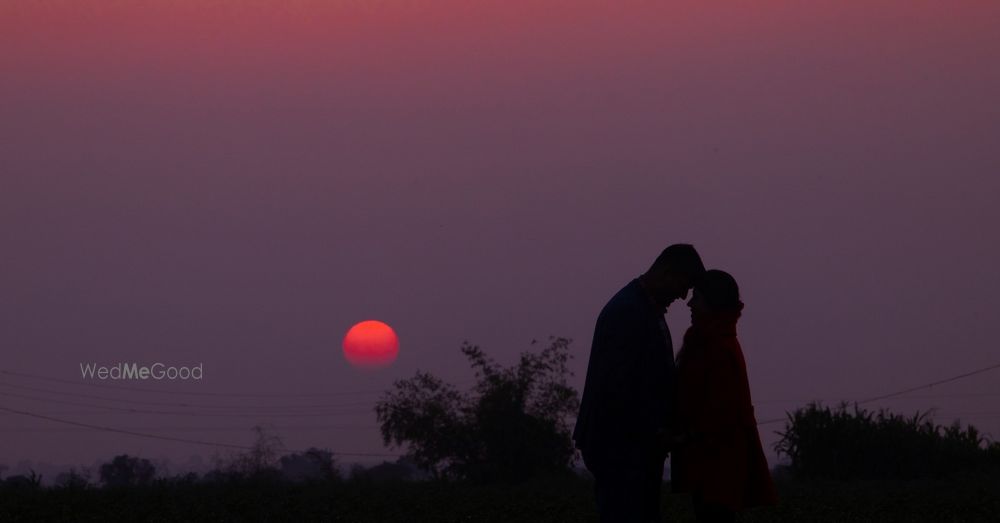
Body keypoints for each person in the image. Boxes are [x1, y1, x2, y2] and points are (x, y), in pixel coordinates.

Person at [574, 244, 706, 523]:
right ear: (668, 272)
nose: (683, 296)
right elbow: (618, 390)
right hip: (621, 448)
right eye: (684, 285)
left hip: (633, 447)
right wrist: (657, 431)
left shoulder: (643, 309)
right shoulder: (628, 312)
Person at [671, 270, 778, 523]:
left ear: (711, 302)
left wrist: (683, 435)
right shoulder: (713, 343)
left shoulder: (716, 348)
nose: (689, 303)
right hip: (712, 465)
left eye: (696, 297)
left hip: (717, 467)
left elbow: (718, 415)